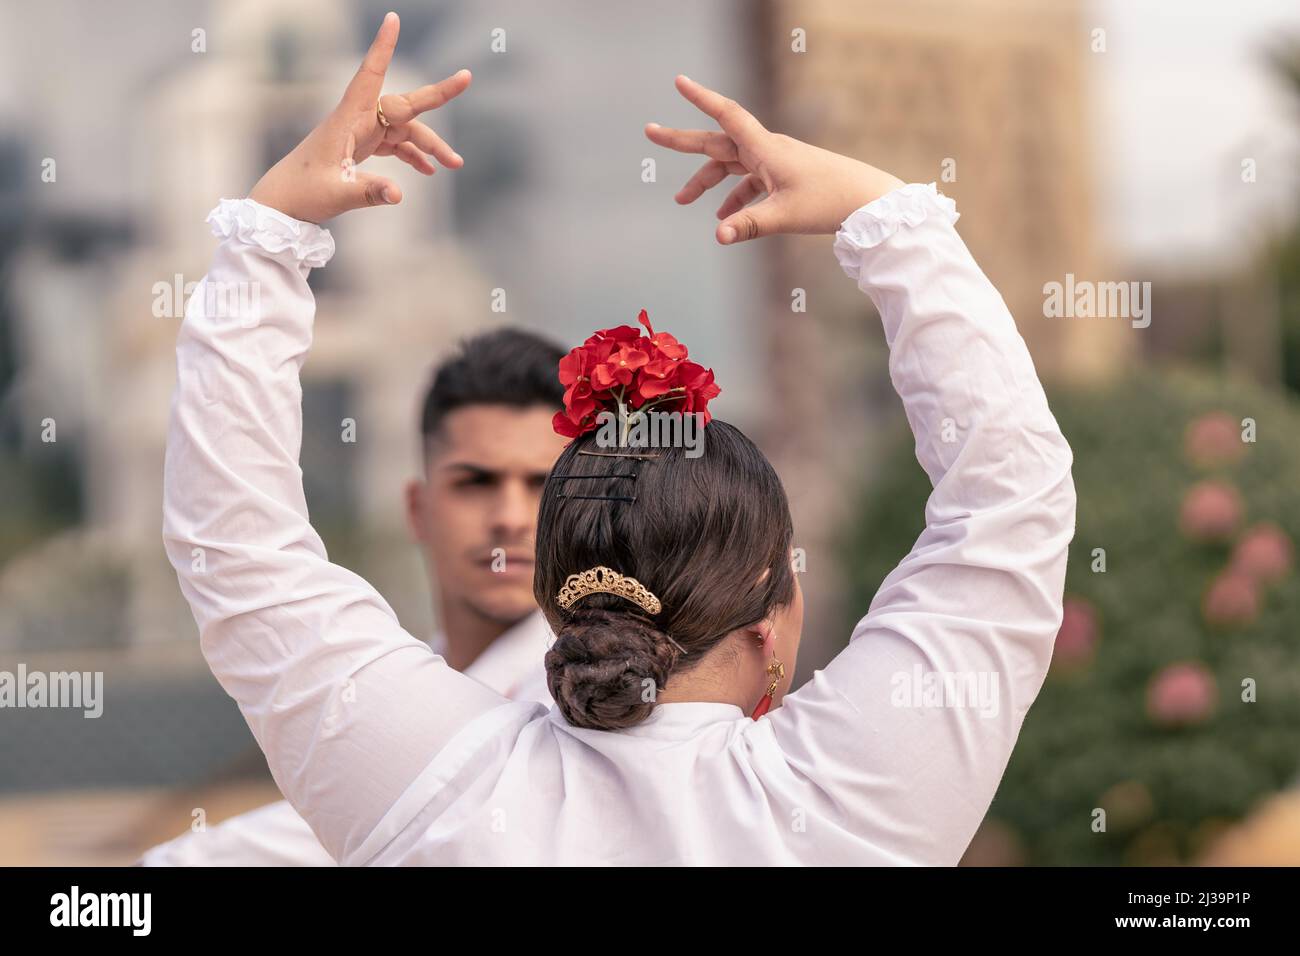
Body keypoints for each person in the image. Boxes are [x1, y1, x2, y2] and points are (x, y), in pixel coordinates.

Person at [163, 13, 1076, 865]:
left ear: (562, 607)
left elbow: (238, 552)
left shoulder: (438, 788)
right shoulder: (857, 797)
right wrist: (886, 220)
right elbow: (1010, 503)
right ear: (775, 624)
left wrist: (271, 233)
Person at [142, 329, 568, 865]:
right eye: (476, 482)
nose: (510, 516)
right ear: (417, 508)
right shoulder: (378, 686)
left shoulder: (606, 704)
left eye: (544, 486)